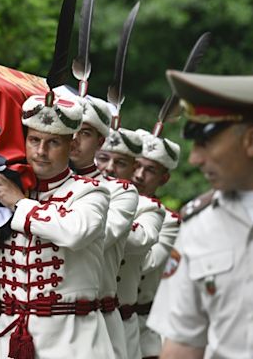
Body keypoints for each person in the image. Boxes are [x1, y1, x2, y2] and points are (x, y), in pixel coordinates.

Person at [0, 93, 114, 358]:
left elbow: (75, 232)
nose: (40, 151)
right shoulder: (8, 192)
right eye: (34, 140)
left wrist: (18, 205)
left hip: (73, 340)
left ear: (72, 145)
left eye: (53, 142)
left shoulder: (90, 192)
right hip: (11, 338)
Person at [147, 70, 253, 359]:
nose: (194, 158)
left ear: (252, 141)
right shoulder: (197, 226)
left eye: (205, 142)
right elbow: (183, 344)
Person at [70, 95, 139, 359]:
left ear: (100, 141)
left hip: (96, 319)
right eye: (70, 129)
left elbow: (92, 237)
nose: (74, 138)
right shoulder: (38, 185)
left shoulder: (120, 192)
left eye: (85, 132)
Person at [96, 127, 165, 359]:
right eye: (103, 158)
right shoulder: (74, 194)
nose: (109, 168)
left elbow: (147, 258)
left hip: (119, 320)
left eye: (120, 163)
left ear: (131, 169)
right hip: (73, 318)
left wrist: (88, 221)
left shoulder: (149, 208)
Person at [132, 129, 181, 359]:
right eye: (136, 165)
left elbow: (147, 263)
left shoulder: (170, 221)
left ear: (164, 178)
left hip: (142, 329)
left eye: (150, 170)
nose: (139, 175)